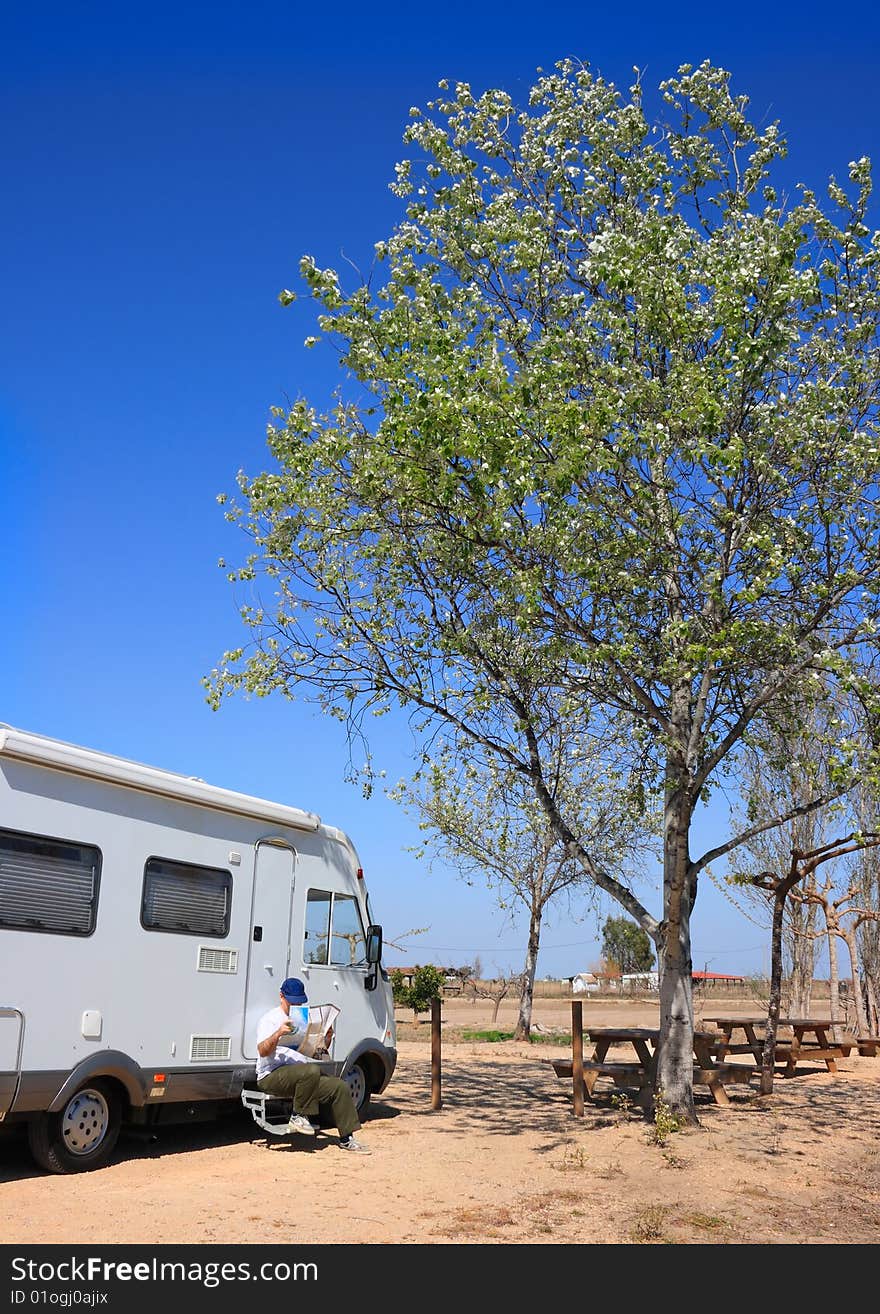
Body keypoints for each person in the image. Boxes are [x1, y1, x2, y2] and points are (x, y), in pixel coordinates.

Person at [255, 977, 371, 1154]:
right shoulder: (270, 1019)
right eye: (292, 1002)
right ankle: (298, 1116)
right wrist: (278, 1034)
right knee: (311, 1071)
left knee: (338, 1086)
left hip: (302, 1077)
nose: (296, 1005)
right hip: (272, 1075)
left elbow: (315, 1052)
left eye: (299, 1002)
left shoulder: (303, 1020)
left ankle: (347, 1138)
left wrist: (327, 1037)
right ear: (281, 996)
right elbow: (262, 1051)